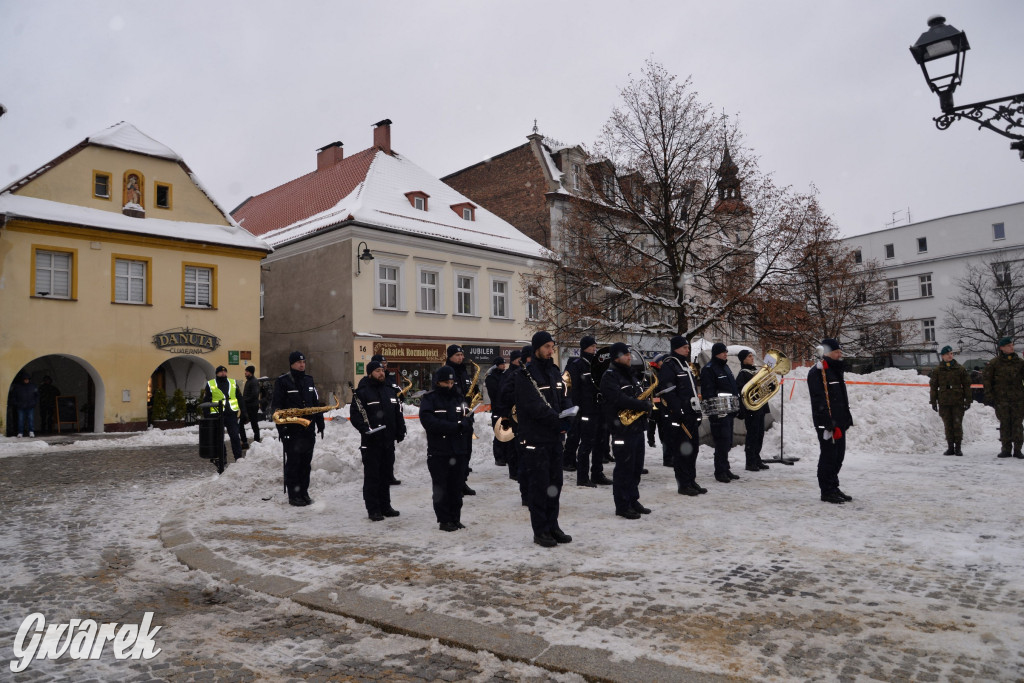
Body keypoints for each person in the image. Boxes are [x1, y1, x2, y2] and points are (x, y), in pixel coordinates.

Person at [515, 331, 574, 547]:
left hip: (554, 439)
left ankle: (553, 525)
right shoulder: (525, 375)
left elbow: (564, 396)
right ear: (537, 347)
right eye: (547, 347)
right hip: (535, 440)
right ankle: (540, 530)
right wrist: (557, 421)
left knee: (554, 485)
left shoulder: (554, 372)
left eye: (552, 346)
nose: (551, 351)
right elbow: (534, 407)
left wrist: (569, 414)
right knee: (539, 487)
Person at [600, 342, 653, 519]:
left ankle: (633, 500)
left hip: (636, 428)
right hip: (622, 429)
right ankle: (622, 505)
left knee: (636, 467)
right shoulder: (609, 376)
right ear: (616, 357)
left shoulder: (631, 375)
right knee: (624, 468)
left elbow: (637, 394)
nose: (630, 357)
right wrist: (641, 404)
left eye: (629, 354)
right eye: (626, 354)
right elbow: (617, 398)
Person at [350, 360, 405, 521]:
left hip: (387, 441)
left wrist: (400, 429)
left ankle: (385, 506)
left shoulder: (389, 390)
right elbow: (355, 415)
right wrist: (364, 429)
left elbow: (397, 412)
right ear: (370, 374)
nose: (381, 373)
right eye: (377, 371)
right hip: (372, 441)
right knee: (373, 477)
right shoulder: (362, 392)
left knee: (385, 476)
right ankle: (373, 509)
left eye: (382, 370)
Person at [419, 366, 472, 531]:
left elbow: (469, 418)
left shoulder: (459, 398)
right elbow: (429, 422)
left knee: (456, 488)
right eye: (445, 383)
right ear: (438, 382)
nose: (449, 386)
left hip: (459, 451)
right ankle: (444, 520)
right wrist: (455, 427)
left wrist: (465, 424)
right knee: (441, 488)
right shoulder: (430, 399)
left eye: (451, 382)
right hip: (439, 452)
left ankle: (455, 518)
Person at [271, 351, 326, 506]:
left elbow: (316, 405)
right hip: (292, 430)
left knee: (305, 463)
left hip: (308, 430)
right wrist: (282, 430)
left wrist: (320, 424)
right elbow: (277, 407)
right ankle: (294, 495)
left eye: (303, 362)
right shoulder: (283, 382)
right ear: (291, 364)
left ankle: (304, 492)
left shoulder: (309, 380)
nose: (302, 365)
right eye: (298, 362)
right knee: (294, 463)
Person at [657, 336, 706, 496]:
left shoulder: (685, 365)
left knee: (693, 449)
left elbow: (691, 389)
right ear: (676, 348)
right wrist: (679, 411)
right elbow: (668, 392)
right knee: (683, 451)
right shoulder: (669, 365)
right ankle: (683, 484)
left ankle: (691, 480)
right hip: (680, 416)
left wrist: (697, 411)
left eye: (688, 347)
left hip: (691, 413)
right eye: (685, 347)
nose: (687, 350)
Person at [807, 338, 854, 504]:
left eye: (840, 351)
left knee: (838, 456)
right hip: (826, 423)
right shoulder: (817, 372)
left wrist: (846, 416)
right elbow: (819, 399)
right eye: (836, 351)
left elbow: (840, 396)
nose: (840, 354)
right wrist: (827, 421)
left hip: (839, 420)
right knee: (828, 456)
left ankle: (834, 486)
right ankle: (826, 490)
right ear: (827, 353)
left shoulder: (835, 370)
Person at [564, 336, 612, 487]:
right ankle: (583, 477)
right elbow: (573, 390)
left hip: (601, 409)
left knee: (601, 443)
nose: (594, 349)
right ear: (584, 347)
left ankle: (597, 473)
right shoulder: (576, 365)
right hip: (586, 411)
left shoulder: (599, 364)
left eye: (595, 346)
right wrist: (579, 409)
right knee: (586, 444)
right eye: (591, 346)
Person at [700, 342, 741, 483]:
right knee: (721, 443)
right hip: (719, 413)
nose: (726, 354)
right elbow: (708, 392)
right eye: (723, 352)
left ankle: (726, 468)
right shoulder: (709, 369)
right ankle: (720, 471)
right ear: (716, 353)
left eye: (726, 351)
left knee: (727, 442)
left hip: (729, 411)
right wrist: (716, 412)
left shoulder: (725, 367)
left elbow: (732, 388)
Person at [981, 336, 1024, 459]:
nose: (1012, 347)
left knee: (1017, 424)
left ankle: (1017, 449)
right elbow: (987, 380)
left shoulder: (1020, 363)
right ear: (1002, 348)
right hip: (1001, 399)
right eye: (1009, 345)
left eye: (1012, 345)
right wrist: (989, 396)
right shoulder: (995, 363)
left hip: (1018, 399)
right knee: (1005, 424)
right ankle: (1005, 449)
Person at [445, 344, 477, 495]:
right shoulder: (446, 372)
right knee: (455, 453)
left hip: (467, 417)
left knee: (466, 452)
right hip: (454, 419)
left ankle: (463, 481)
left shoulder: (464, 372)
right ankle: (454, 483)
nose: (461, 357)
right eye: (458, 355)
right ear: (450, 356)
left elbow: (470, 390)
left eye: (462, 355)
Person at [929, 345, 972, 456]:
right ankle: (950, 447)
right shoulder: (938, 370)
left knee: (957, 424)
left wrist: (968, 401)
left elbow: (967, 385)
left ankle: (958, 447)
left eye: (951, 353)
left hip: (957, 401)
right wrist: (933, 402)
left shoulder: (960, 369)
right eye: (948, 354)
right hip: (944, 401)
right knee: (948, 425)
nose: (950, 355)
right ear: (943, 356)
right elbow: (933, 387)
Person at [201, 366, 248, 461]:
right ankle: (223, 457)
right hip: (217, 415)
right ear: (217, 373)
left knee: (235, 436)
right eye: (221, 372)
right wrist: (207, 414)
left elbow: (239, 398)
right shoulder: (211, 384)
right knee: (219, 438)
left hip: (231, 414)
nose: (223, 373)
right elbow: (206, 399)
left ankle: (238, 457)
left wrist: (243, 411)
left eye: (225, 372)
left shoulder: (233, 383)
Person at [371, 354, 403, 485]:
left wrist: (400, 428)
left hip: (390, 424)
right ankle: (379, 477)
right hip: (376, 427)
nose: (384, 366)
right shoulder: (367, 384)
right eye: (380, 364)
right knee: (378, 456)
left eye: (385, 364)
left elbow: (396, 394)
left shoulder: (389, 378)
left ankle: (390, 475)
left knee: (390, 454)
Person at [736, 350, 771, 472]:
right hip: (751, 409)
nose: (752, 358)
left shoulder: (754, 372)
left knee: (759, 434)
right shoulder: (743, 374)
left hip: (759, 407)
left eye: (752, 356)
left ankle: (756, 458)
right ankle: (750, 462)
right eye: (749, 356)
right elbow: (741, 393)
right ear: (743, 360)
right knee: (752, 435)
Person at [484, 356, 510, 467]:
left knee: (508, 433)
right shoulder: (491, 377)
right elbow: (496, 393)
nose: (504, 366)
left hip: (506, 409)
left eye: (504, 364)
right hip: (497, 409)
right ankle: (499, 458)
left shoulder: (505, 375)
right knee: (499, 433)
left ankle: (506, 456)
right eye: (502, 364)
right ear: (496, 365)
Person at [240, 366, 263, 446]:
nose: (245, 372)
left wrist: (244, 400)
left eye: (246, 371)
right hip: (247, 406)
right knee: (241, 424)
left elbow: (255, 395)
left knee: (253, 424)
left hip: (252, 407)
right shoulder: (249, 381)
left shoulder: (254, 381)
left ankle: (256, 441)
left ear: (250, 372)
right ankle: (245, 441)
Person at [11, 373, 38, 437]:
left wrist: (34, 403)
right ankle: (20, 432)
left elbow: (36, 395)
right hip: (21, 406)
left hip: (30, 406)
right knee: (21, 420)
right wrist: (16, 404)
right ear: (23, 380)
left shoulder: (32, 386)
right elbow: (14, 396)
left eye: (27, 379)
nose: (26, 380)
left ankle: (31, 431)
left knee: (30, 420)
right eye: (25, 379)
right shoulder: (18, 387)